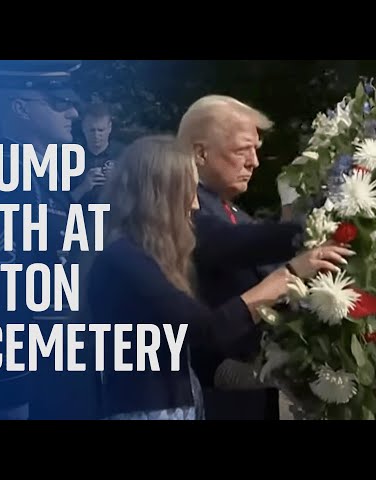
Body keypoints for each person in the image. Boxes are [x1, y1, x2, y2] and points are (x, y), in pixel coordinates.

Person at [85, 135, 353, 420]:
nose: (196, 206)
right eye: (188, 192)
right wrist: (285, 277)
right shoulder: (124, 261)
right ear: (161, 197)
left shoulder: (135, 256)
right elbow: (206, 331)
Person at [0, 60, 93, 420]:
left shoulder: (42, 173)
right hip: (17, 379)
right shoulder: (0, 176)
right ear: (20, 108)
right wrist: (8, 385)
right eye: (59, 104)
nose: (74, 113)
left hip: (49, 363)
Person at [176, 94, 296, 420]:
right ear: (201, 153)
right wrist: (314, 229)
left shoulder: (235, 213)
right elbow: (229, 244)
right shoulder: (184, 207)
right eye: (244, 149)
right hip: (216, 387)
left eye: (256, 149)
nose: (254, 161)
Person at [71, 102, 125, 206]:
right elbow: (60, 204)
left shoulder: (124, 154)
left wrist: (116, 180)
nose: (96, 135)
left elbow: (136, 199)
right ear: (83, 128)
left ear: (109, 128)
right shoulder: (70, 157)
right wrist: (84, 187)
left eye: (101, 130)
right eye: (92, 130)